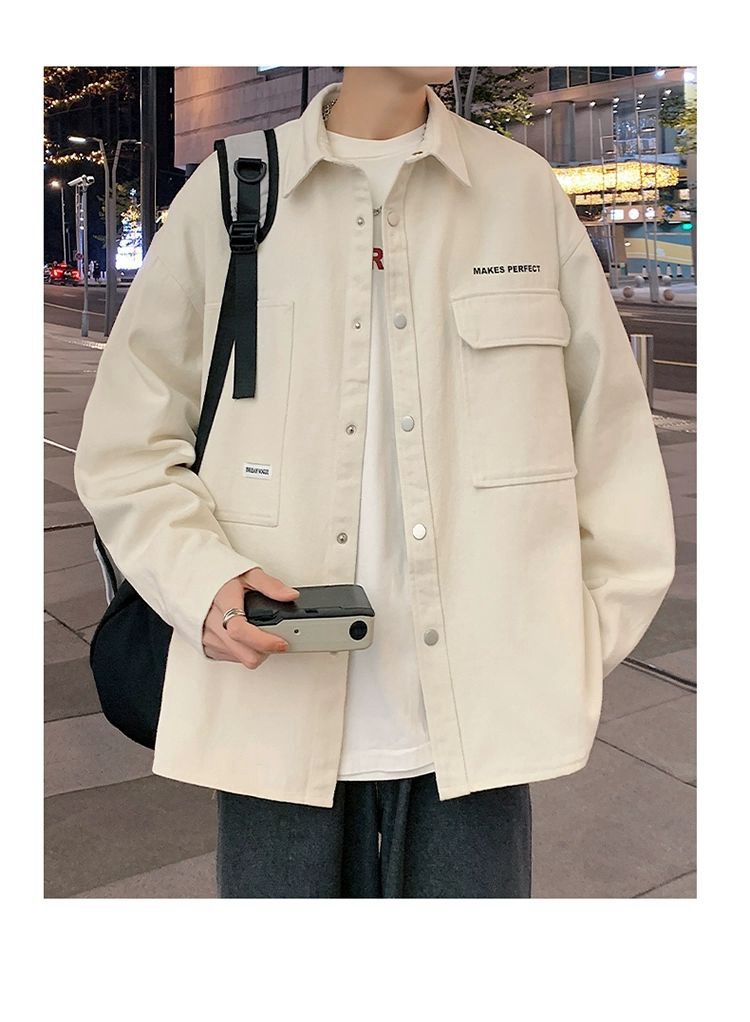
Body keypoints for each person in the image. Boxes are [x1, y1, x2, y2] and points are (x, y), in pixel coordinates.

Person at [73, 67, 676, 898]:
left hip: (481, 717)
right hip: (272, 701)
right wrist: (200, 582)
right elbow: (126, 443)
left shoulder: (521, 191)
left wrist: (564, 645)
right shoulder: (233, 188)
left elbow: (611, 444)